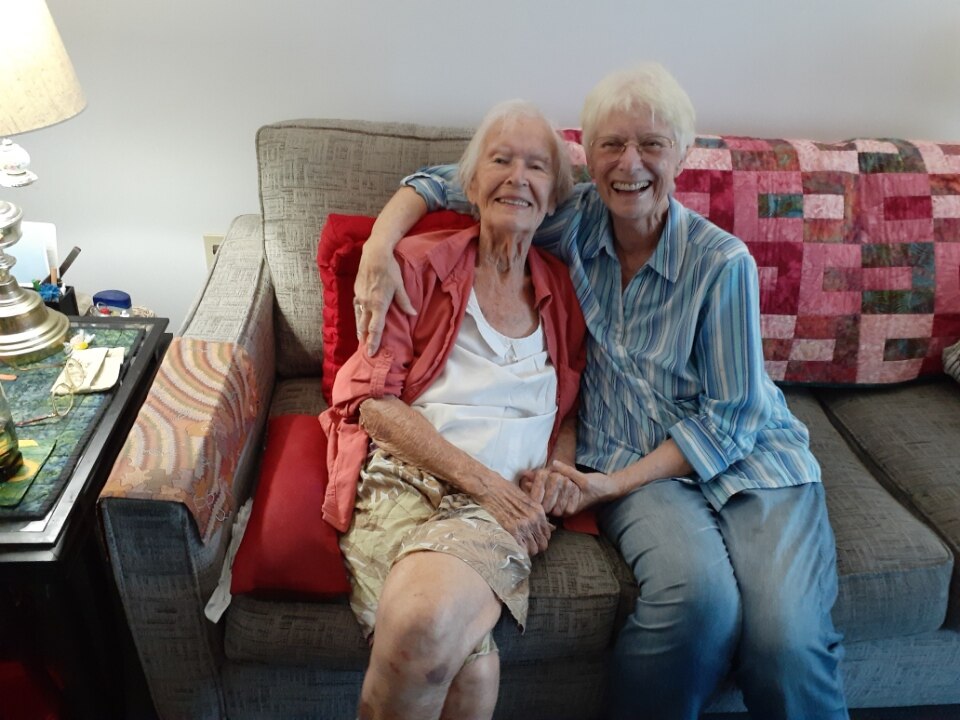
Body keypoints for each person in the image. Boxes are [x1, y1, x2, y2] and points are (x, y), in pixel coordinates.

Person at [353, 63, 849, 720]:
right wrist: (379, 245)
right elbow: (461, 184)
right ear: (588, 158)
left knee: (787, 643)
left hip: (751, 462)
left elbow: (733, 417)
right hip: (639, 463)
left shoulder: (724, 263)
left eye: (652, 145)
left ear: (682, 154)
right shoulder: (572, 218)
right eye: (612, 145)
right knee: (699, 604)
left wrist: (607, 485)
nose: (630, 164)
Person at [320, 99, 586, 720]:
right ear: (468, 186)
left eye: (536, 167)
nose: (517, 176)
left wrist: (560, 470)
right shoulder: (417, 264)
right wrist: (486, 484)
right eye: (500, 160)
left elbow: (568, 409)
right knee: (471, 669)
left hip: (502, 501)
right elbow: (370, 403)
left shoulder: (563, 292)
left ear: (553, 200)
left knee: (423, 625)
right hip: (405, 479)